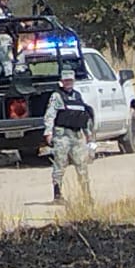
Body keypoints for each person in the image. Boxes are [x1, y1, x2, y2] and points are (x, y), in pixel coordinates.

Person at [42, 69, 93, 204]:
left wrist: (88, 134)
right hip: (62, 136)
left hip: (76, 136)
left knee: (82, 165)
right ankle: (57, 196)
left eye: (70, 80)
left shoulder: (78, 96)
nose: (68, 83)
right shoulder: (57, 96)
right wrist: (48, 132)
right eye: (66, 80)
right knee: (59, 165)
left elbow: (83, 116)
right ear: (62, 81)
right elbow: (50, 115)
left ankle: (86, 195)